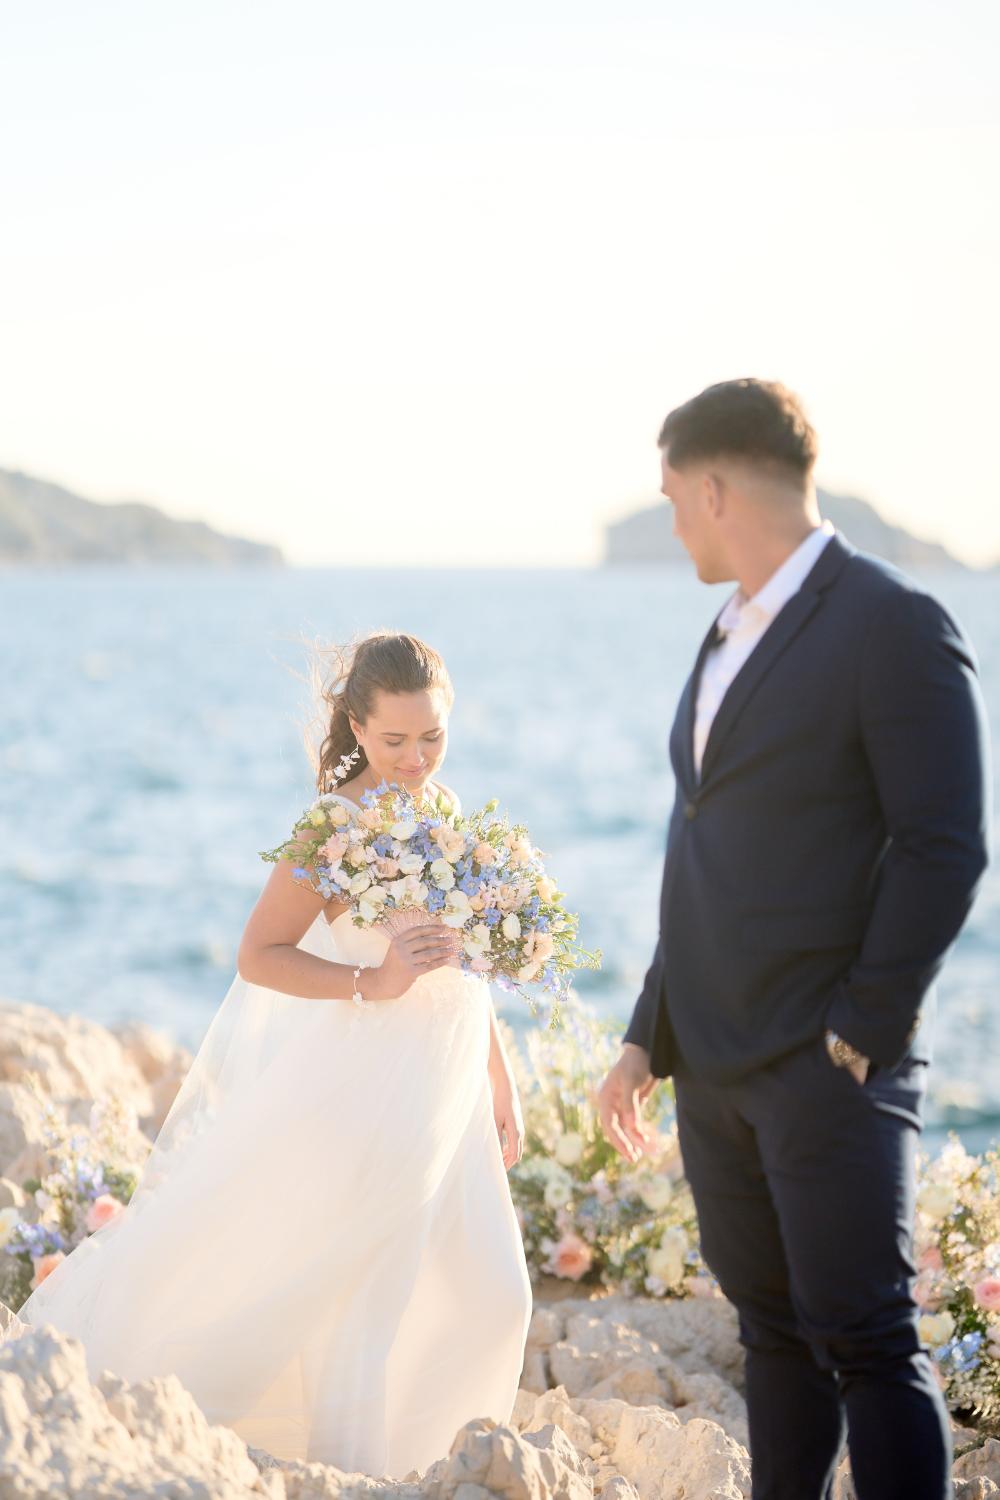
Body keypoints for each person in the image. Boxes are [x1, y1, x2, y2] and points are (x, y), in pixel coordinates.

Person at [1, 631, 533, 1475]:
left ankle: (438, 1457)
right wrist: (376, 984)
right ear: (356, 727)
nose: (415, 758)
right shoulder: (330, 828)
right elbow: (259, 955)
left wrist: (500, 1081)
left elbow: (460, 962)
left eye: (431, 737)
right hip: (365, 1086)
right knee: (364, 1296)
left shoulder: (444, 810)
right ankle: (359, 1474)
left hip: (450, 1088)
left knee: (496, 1292)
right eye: (394, 740)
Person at [597, 379, 991, 1500]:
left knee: (867, 1342)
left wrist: (863, 1026)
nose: (672, 522)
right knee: (771, 1339)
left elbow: (942, 846)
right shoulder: (723, 633)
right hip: (714, 1065)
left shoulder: (892, 623)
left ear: (716, 490)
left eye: (675, 498)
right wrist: (646, 1037)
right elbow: (704, 851)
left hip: (827, 1065)